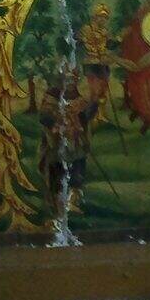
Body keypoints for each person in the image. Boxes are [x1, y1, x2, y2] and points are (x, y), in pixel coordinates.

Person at [38, 73, 99, 216]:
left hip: (76, 143)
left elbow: (85, 116)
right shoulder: (52, 96)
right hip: (57, 143)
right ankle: (57, 203)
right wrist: (56, 123)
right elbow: (44, 116)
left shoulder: (78, 98)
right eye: (69, 79)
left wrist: (93, 105)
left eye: (74, 80)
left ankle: (72, 202)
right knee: (57, 171)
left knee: (77, 170)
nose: (72, 83)